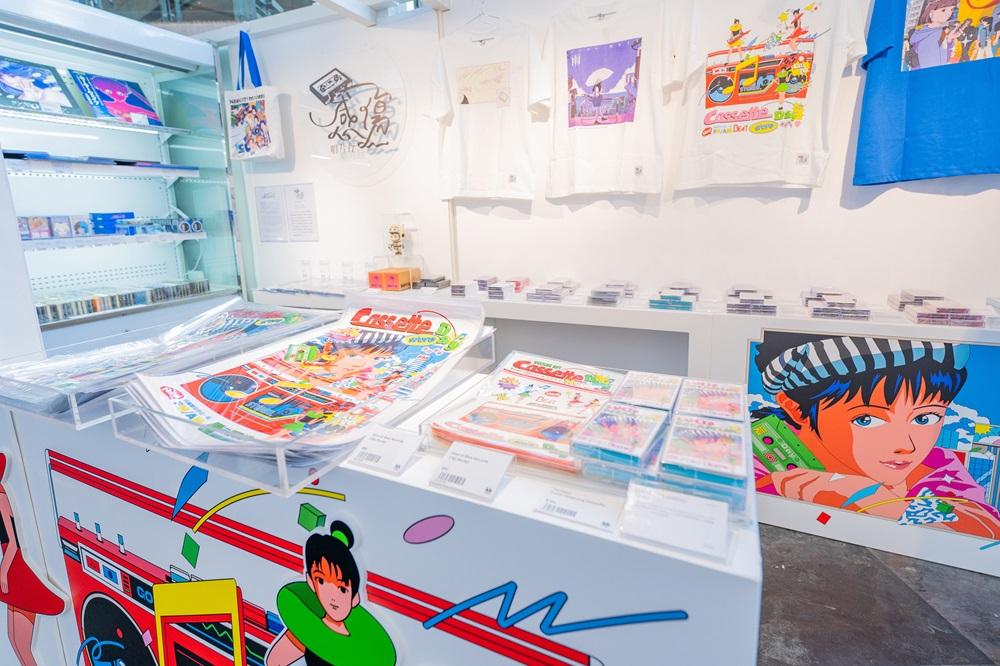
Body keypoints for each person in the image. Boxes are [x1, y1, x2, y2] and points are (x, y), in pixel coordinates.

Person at [752, 332, 1000, 540]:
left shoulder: (937, 469)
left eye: (925, 418)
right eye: (867, 419)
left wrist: (881, 503)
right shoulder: (757, 455)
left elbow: (986, 530)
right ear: (796, 409)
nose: (905, 445)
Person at [266, 521, 395, 666]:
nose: (332, 597)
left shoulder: (363, 645)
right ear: (311, 582)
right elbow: (274, 662)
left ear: (354, 598)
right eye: (321, 581)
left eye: (342, 589)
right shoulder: (310, 628)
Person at [0, 453, 64, 666]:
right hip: (11, 569)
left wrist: (3, 572)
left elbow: (13, 542)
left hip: (15, 567)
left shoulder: (1, 499)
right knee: (13, 639)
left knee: (22, 644)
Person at [906, 0, 962, 69]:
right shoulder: (923, 31)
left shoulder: (941, 32)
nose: (948, 13)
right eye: (943, 10)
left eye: (951, 10)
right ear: (931, 13)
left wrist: (950, 39)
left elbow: (944, 54)